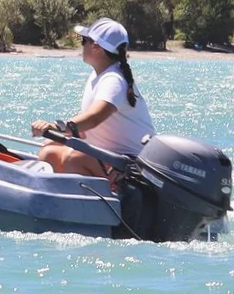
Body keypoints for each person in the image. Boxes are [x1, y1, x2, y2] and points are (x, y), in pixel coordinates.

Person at [29, 17, 155, 176]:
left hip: (132, 167)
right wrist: (57, 135)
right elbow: (85, 129)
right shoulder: (98, 76)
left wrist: (56, 126)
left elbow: (94, 117)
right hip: (111, 158)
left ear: (96, 47)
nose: (81, 45)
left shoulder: (113, 80)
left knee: (74, 158)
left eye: (83, 41)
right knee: (49, 150)